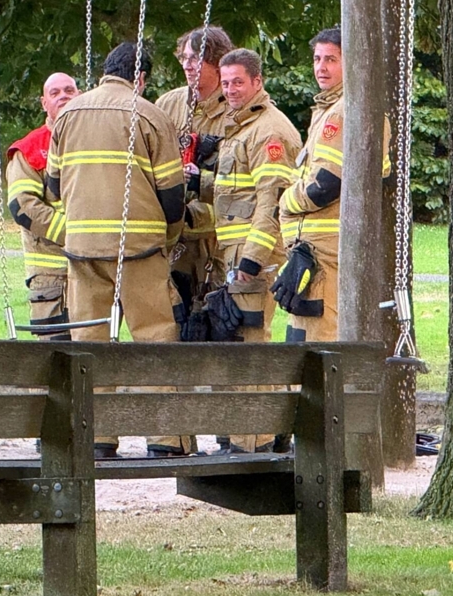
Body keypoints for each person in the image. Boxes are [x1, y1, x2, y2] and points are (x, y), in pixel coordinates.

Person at [47, 42, 191, 458]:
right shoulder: (149, 114)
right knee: (154, 338)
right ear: (141, 78)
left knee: (90, 341)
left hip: (82, 251)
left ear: (105, 71)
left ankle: (98, 437)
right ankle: (165, 438)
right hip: (139, 249)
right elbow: (171, 194)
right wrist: (169, 238)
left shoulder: (68, 115)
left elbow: (54, 186)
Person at [275, 26, 391, 343]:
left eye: (331, 59)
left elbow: (327, 184)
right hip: (311, 250)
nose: (321, 67)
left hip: (327, 253)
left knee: (318, 347)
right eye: (317, 58)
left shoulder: (345, 109)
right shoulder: (330, 109)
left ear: (350, 62)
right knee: (300, 344)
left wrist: (285, 203)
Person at [211, 48, 302, 453]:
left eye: (238, 83)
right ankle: (272, 430)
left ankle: (252, 441)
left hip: (254, 259)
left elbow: (272, 203)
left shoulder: (269, 131)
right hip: (235, 255)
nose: (230, 90)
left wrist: (251, 261)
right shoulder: (241, 126)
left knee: (250, 345)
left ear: (257, 82)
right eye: (226, 82)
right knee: (246, 342)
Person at [155, 26, 234, 311]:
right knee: (175, 321)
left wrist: (201, 178)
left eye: (196, 59)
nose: (188, 65)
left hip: (217, 240)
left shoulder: (234, 108)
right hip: (177, 235)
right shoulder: (168, 104)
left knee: (219, 324)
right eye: (184, 58)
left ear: (218, 61)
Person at [5, 72, 77, 341]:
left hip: (92, 271)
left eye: (69, 90)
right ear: (43, 103)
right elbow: (23, 207)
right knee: (53, 360)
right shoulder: (29, 148)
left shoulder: (92, 140)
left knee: (95, 354)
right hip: (51, 277)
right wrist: (75, 235)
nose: (64, 96)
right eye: (55, 93)